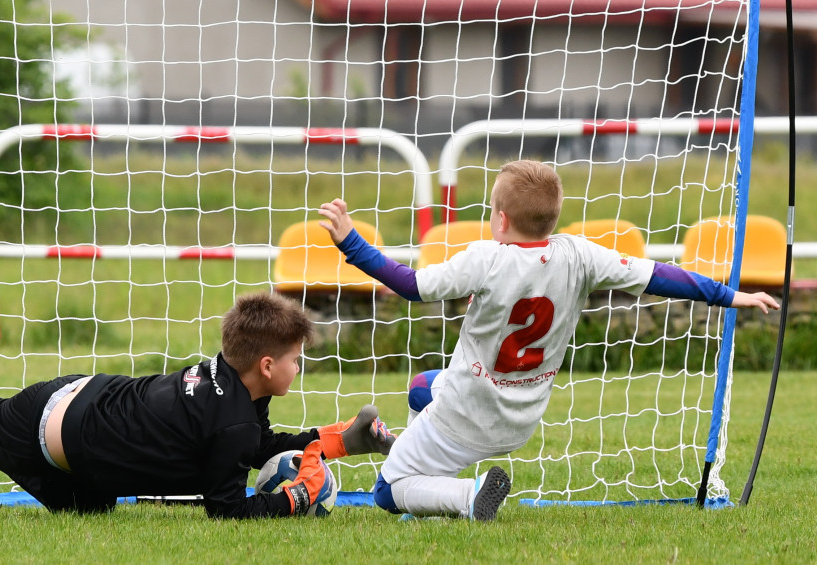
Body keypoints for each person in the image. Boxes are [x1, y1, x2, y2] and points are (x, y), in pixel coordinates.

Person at [317, 160, 780, 521]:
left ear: (501, 219)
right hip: (520, 418)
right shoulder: (579, 254)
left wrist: (350, 242)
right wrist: (730, 295)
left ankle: (467, 496)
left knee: (387, 491)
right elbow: (660, 275)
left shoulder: (486, 258)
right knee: (421, 387)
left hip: (467, 413)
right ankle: (427, 479)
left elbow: (410, 285)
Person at [0, 225, 395, 518]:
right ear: (267, 366)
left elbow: (254, 445)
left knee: (88, 509)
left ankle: (59, 473)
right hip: (52, 425)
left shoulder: (236, 383)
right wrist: (297, 498)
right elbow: (228, 509)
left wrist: (340, 441)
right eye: (295, 358)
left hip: (87, 411)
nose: (299, 366)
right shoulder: (232, 419)